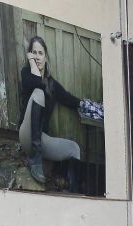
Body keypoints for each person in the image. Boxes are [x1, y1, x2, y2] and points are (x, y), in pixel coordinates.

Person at [18, 36, 83, 190]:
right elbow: (36, 83)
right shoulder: (26, 73)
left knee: (75, 148)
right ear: (30, 56)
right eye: (34, 53)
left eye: (40, 53)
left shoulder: (52, 84)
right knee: (38, 93)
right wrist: (31, 61)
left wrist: (86, 104)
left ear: (46, 57)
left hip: (42, 139)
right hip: (26, 134)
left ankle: (73, 192)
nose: (37, 56)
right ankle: (35, 160)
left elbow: (68, 98)